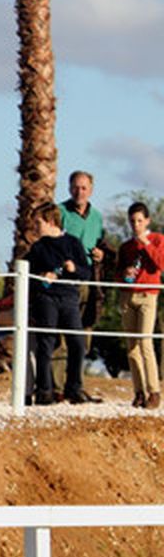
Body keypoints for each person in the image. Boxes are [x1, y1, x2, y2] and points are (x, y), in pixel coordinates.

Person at [24, 201, 97, 405]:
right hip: (46, 300)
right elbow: (26, 274)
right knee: (46, 344)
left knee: (77, 343)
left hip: (69, 299)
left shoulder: (73, 243)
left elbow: (86, 273)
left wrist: (74, 269)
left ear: (50, 221)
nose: (35, 227)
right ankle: (44, 391)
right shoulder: (37, 248)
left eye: (38, 222)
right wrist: (41, 276)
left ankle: (74, 388)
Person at [117, 201, 164, 408]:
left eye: (139, 221)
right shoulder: (126, 246)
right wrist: (125, 273)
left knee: (145, 342)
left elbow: (160, 264)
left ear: (147, 221)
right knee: (132, 347)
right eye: (132, 221)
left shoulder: (157, 239)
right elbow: (117, 273)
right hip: (128, 296)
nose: (136, 225)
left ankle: (154, 391)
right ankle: (139, 391)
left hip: (148, 295)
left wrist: (146, 244)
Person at [59, 170, 113, 334]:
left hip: (89, 276)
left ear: (91, 190)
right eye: (75, 188)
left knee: (86, 325)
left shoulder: (96, 216)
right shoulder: (60, 211)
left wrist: (101, 254)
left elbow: (101, 243)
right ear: (69, 189)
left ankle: (81, 358)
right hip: (67, 277)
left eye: (83, 188)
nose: (79, 192)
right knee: (64, 325)